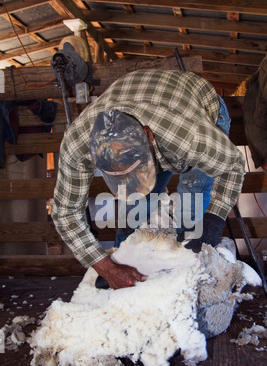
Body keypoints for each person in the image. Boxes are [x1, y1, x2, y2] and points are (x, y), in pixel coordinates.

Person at [52, 69, 245, 289]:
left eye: (137, 171)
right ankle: (125, 259)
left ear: (148, 137)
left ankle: (188, 277)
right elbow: (65, 212)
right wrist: (107, 267)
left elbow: (233, 167)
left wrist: (213, 221)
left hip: (196, 105)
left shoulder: (191, 137)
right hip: (138, 98)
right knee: (134, 206)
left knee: (192, 194)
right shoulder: (76, 146)